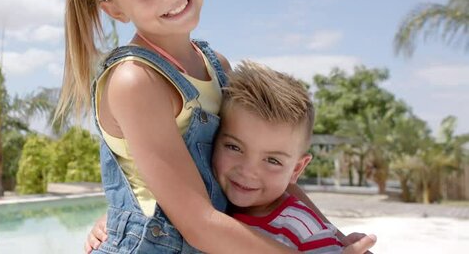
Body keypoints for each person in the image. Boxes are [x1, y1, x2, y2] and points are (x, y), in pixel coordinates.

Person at [57, 0, 375, 253]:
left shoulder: (218, 66)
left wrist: (331, 239)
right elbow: (197, 223)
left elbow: (274, 172)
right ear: (114, 8)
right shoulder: (136, 81)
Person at [85, 61, 377, 253]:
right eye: (234, 148)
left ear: (297, 169)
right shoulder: (219, 206)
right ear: (213, 140)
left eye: (272, 160)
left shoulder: (301, 228)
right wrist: (120, 219)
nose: (248, 171)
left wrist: (338, 239)